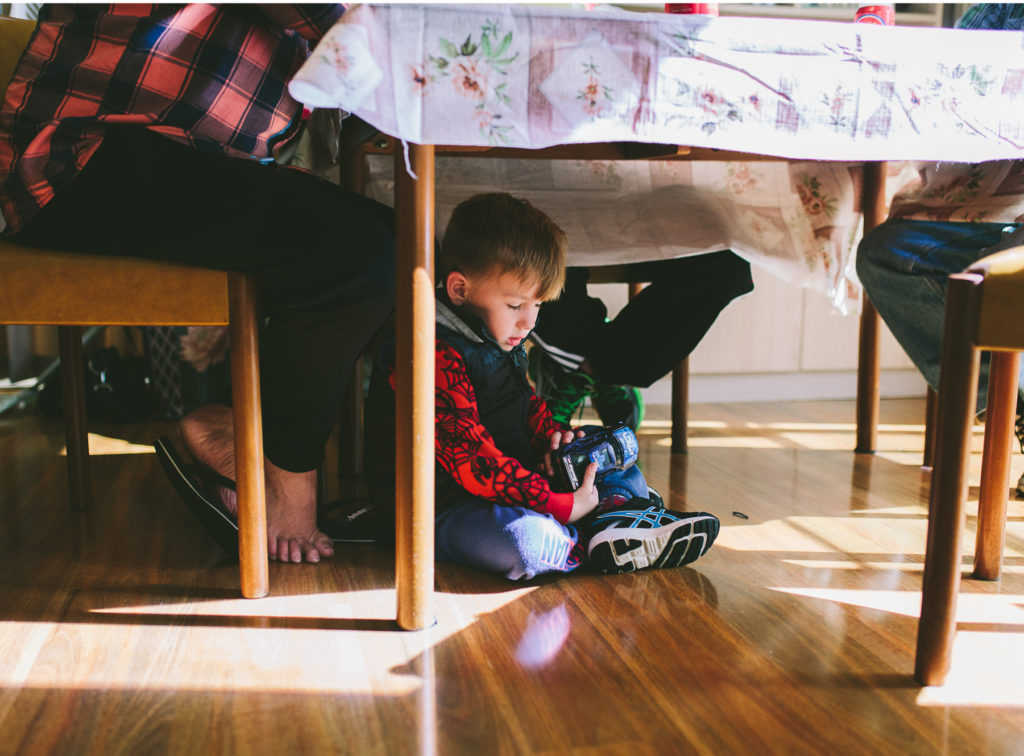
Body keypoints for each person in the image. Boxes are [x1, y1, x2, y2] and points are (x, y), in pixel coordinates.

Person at [0, 4, 395, 563]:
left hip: (163, 147)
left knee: (397, 254)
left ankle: (246, 434)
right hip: (74, 157)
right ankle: (285, 477)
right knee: (359, 260)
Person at [364, 193, 720, 580]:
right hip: (443, 506)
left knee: (612, 455)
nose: (528, 323)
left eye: (538, 306)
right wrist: (555, 502)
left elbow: (525, 403)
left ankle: (613, 520)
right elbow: (472, 462)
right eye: (516, 306)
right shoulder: (428, 350)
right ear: (459, 290)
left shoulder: (499, 334)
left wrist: (553, 438)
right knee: (528, 543)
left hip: (512, 481)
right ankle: (608, 525)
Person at [854, 5, 1024, 488]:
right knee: (887, 253)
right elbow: (945, 81)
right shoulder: (996, 12)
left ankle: (1012, 399)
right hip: (996, 214)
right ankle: (1010, 398)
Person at [529, 252, 754, 429]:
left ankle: (589, 365)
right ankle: (591, 364)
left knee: (729, 264)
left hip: (653, 220)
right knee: (534, 241)